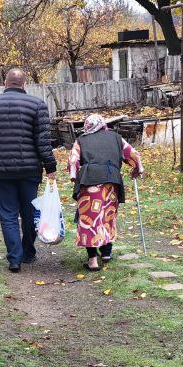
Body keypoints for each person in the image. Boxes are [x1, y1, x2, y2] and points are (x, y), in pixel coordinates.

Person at [0, 68, 58, 272]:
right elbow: (43, 141)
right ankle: (28, 253)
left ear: (5, 83)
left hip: (0, 171)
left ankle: (14, 258)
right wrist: (50, 167)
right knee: (29, 211)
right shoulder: (37, 105)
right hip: (29, 170)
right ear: (24, 84)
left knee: (8, 214)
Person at [68, 114, 143, 270]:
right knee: (107, 216)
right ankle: (106, 253)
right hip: (111, 181)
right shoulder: (116, 138)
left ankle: (92, 260)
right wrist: (137, 169)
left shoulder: (81, 140)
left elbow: (73, 159)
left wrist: (74, 175)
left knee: (89, 219)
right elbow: (133, 154)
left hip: (89, 182)